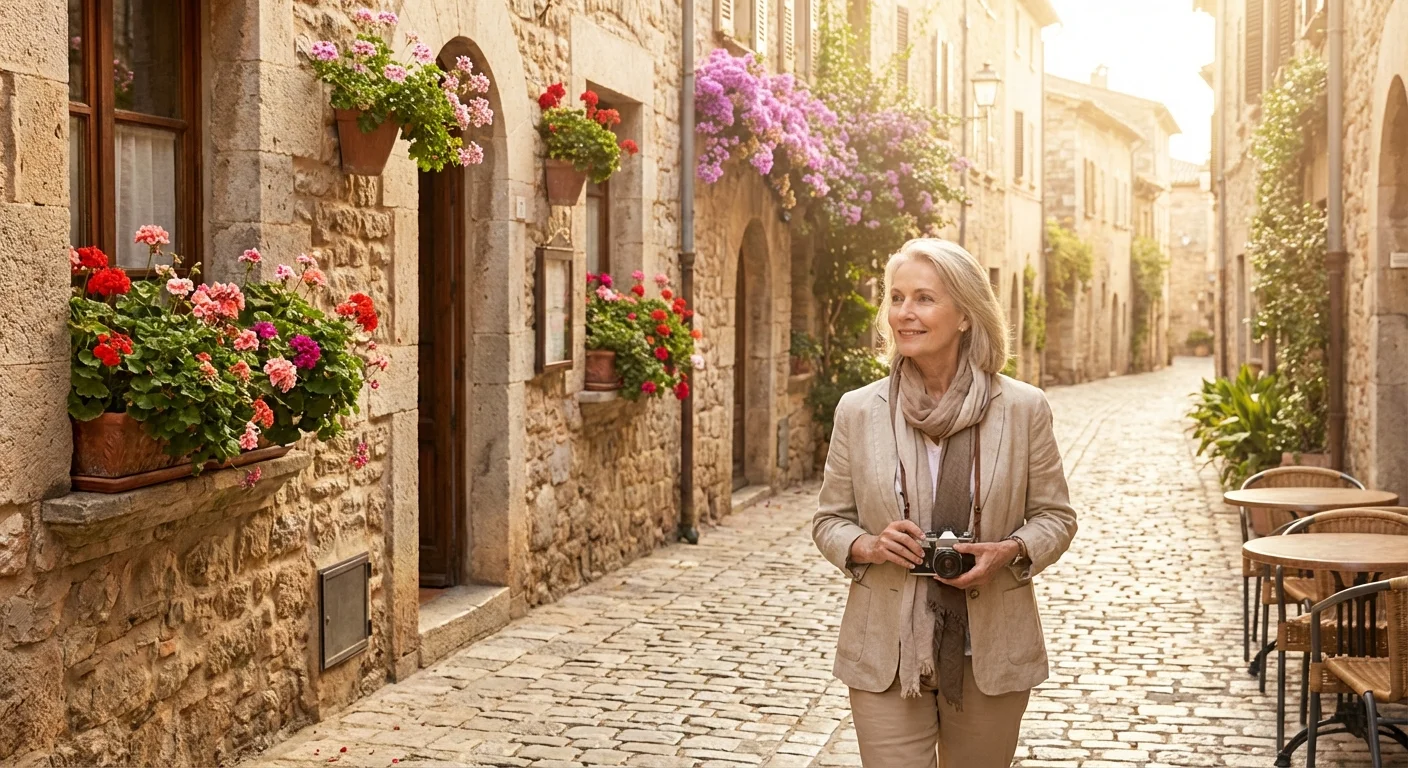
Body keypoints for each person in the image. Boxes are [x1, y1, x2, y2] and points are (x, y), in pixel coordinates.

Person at [812, 238, 1077, 767]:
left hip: (990, 648)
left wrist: (1011, 550)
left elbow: (1056, 517)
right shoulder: (859, 410)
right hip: (887, 649)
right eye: (896, 297)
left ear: (965, 314)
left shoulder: (1023, 409)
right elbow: (828, 521)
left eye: (924, 299)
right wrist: (868, 544)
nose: (904, 313)